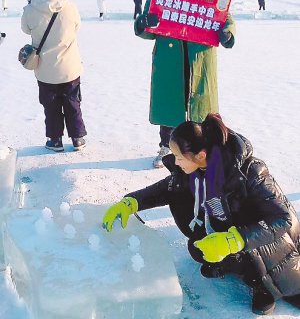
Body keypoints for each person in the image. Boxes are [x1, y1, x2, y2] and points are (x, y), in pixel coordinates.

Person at [102, 113, 300, 315]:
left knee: (265, 268)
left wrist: (234, 240)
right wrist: (132, 202)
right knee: (198, 249)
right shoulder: (195, 172)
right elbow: (166, 188)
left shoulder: (250, 171)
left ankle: (261, 284)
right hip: (230, 229)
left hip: (267, 238)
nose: (176, 162)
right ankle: (232, 262)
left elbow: (281, 219)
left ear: (200, 155)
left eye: (179, 157)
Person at [134, 0, 236, 169]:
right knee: (172, 104)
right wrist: (144, 22)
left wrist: (227, 33)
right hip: (171, 59)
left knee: (200, 106)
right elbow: (148, 29)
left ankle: (202, 148)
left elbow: (225, 18)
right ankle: (167, 147)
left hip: (199, 58)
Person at [21, 0, 87, 152]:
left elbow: (25, 29)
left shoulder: (30, 9)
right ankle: (78, 139)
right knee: (73, 102)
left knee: (51, 106)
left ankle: (55, 140)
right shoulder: (69, 6)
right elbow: (77, 27)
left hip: (45, 70)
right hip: (70, 68)